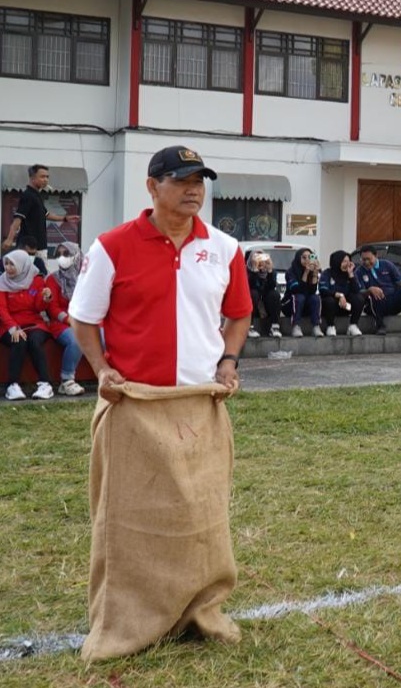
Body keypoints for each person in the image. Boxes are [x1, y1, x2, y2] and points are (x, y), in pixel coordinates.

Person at [68, 144, 252, 661]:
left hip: (198, 403)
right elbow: (83, 317)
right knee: (128, 518)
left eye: (201, 181)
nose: (195, 190)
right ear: (152, 187)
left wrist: (229, 361)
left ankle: (200, 608)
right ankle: (128, 617)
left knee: (201, 513)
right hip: (136, 405)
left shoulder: (224, 248)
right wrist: (102, 369)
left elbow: (239, 313)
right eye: (182, 180)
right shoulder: (112, 246)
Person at [0, 249, 56, 400]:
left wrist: (45, 298)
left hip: (34, 323)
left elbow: (38, 307)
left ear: (22, 264)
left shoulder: (36, 280)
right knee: (19, 341)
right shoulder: (2, 282)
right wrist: (13, 328)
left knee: (34, 341)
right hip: (10, 324)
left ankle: (45, 384)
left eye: (12, 264)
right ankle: (12, 386)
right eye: (6, 264)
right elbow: (2, 309)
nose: (8, 268)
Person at [2, 164, 81, 255]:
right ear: (32, 178)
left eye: (47, 177)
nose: (46, 180)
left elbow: (46, 214)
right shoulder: (28, 195)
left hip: (40, 246)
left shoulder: (36, 195)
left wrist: (66, 219)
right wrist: (9, 239)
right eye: (42, 177)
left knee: (41, 269)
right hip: (28, 248)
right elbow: (18, 218)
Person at [43, 241, 87, 395]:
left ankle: (111, 377)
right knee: (76, 340)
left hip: (86, 321)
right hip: (61, 323)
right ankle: (67, 381)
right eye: (59, 254)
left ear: (76, 255)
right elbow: (52, 307)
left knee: (106, 338)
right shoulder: (53, 279)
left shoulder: (87, 278)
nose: (62, 258)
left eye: (66, 254)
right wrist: (69, 320)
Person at [355, 244, 401, 337]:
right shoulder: (359, 272)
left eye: (369, 259)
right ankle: (379, 325)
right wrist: (369, 290)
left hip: (391, 299)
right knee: (374, 294)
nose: (366, 262)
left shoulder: (387, 265)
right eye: (363, 259)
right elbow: (359, 291)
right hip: (375, 303)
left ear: (376, 256)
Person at [319, 250, 364, 336]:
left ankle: (353, 325)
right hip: (331, 306)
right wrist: (339, 295)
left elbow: (356, 290)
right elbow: (323, 289)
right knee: (329, 301)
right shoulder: (327, 273)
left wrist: (351, 275)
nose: (347, 264)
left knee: (359, 298)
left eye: (348, 261)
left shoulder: (350, 274)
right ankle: (330, 326)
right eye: (344, 261)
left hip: (346, 306)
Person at [285, 248, 323, 337]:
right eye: (304, 258)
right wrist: (306, 272)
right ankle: (296, 326)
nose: (307, 260)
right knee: (299, 296)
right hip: (291, 304)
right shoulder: (291, 272)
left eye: (310, 257)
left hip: (305, 305)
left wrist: (315, 273)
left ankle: (316, 326)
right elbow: (297, 289)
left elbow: (312, 290)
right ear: (298, 258)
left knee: (315, 297)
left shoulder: (312, 271)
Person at [246, 250, 283, 338]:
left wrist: (269, 271)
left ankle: (275, 327)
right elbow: (250, 285)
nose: (260, 260)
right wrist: (255, 270)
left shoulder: (270, 271)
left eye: (262, 257)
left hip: (264, 300)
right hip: (251, 300)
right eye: (257, 257)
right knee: (253, 293)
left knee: (274, 294)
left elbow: (271, 286)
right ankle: (249, 327)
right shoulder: (246, 270)